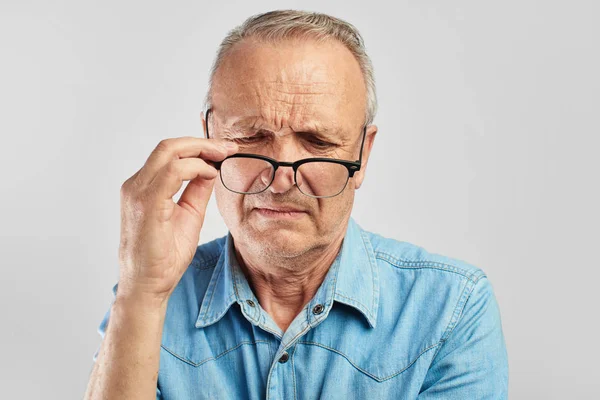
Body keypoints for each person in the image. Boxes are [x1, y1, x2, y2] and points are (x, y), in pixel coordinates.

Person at [84, 10, 508, 400]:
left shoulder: (450, 309)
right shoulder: (148, 300)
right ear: (208, 139)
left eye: (318, 142)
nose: (282, 175)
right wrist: (141, 291)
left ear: (363, 154)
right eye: (250, 137)